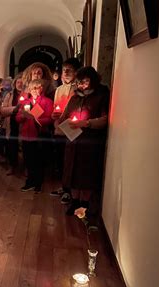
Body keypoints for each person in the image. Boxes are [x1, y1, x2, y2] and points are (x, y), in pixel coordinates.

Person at [59, 66, 109, 216]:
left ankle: (84, 204)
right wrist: (60, 120)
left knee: (86, 173)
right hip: (73, 141)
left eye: (86, 81)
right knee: (72, 171)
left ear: (93, 81)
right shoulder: (75, 97)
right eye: (80, 82)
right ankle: (74, 201)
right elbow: (65, 115)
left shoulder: (100, 96)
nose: (82, 85)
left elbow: (104, 119)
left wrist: (86, 123)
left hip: (89, 142)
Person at [50, 58, 82, 204]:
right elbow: (55, 108)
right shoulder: (59, 89)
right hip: (59, 129)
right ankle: (63, 186)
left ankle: (69, 191)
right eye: (64, 70)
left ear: (76, 72)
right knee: (60, 159)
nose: (66, 72)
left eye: (69, 69)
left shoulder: (79, 89)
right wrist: (54, 117)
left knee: (71, 161)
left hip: (73, 129)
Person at [15, 79, 54, 193]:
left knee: (38, 160)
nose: (35, 90)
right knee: (28, 159)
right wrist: (23, 116)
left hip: (39, 135)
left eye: (38, 88)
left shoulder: (47, 102)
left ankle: (38, 183)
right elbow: (17, 118)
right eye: (33, 88)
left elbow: (50, 119)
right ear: (30, 90)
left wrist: (37, 119)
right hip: (27, 135)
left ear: (42, 89)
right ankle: (30, 182)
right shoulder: (26, 102)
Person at [0, 72, 26, 175]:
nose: (19, 84)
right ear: (14, 84)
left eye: (21, 82)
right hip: (12, 124)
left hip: (23, 124)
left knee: (24, 147)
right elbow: (3, 110)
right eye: (18, 82)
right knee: (12, 146)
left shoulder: (27, 94)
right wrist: (14, 109)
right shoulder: (9, 95)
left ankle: (24, 167)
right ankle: (12, 166)